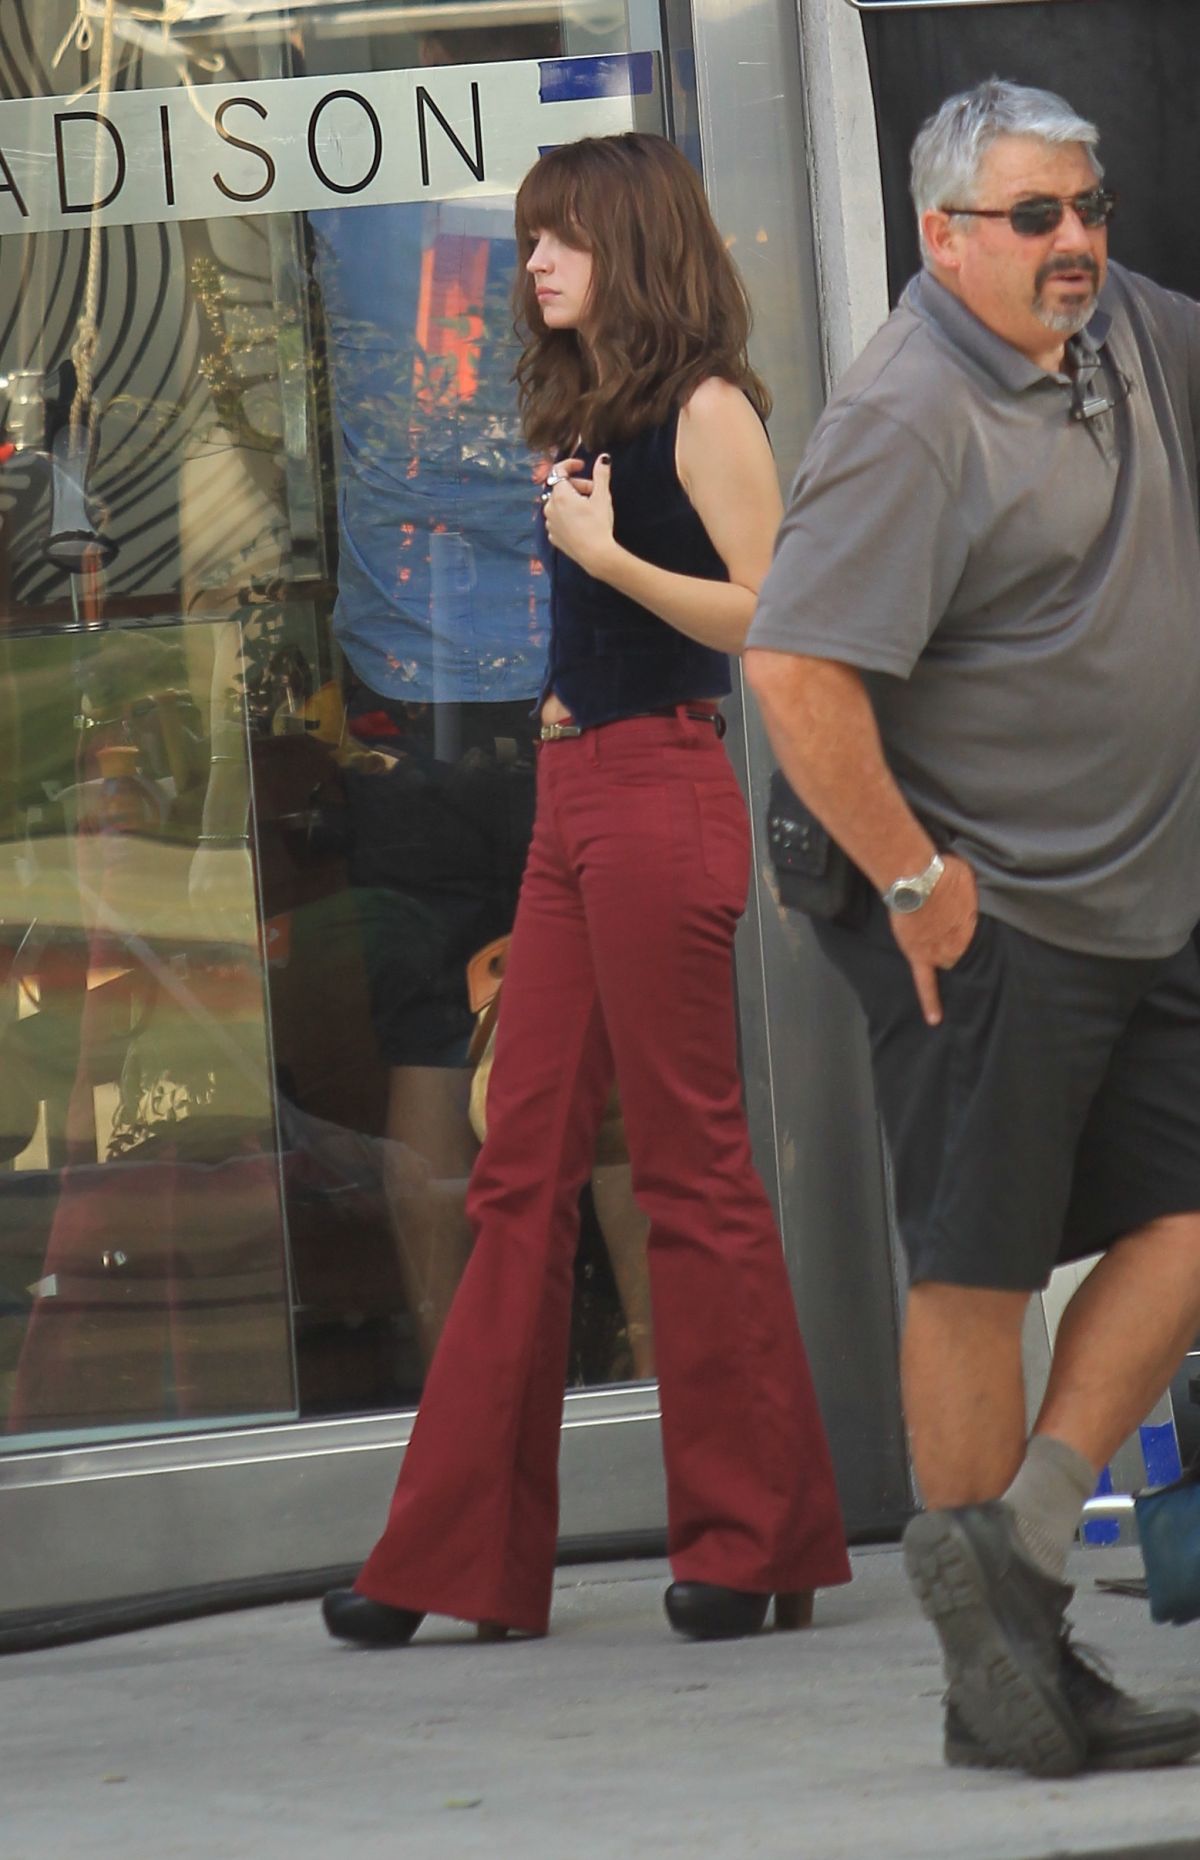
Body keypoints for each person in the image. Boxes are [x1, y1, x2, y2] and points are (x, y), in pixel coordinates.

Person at [322, 130, 850, 1648]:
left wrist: (611, 562)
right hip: (571, 800)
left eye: (562, 236)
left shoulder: (707, 409)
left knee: (688, 1166)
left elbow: (772, 615)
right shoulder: (591, 407)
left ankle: (757, 1541)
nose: (535, 260)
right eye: (532, 235)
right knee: (517, 1172)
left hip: (660, 787)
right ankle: (455, 1559)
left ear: (635, 244)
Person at [745, 77, 1200, 1776]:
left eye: (1088, 207)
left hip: (1144, 894)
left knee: (1186, 1217)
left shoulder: (1123, 329)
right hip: (976, 910)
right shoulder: (908, 410)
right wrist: (918, 885)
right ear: (943, 237)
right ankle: (997, 1679)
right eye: (1034, 216)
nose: (1076, 240)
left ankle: (1013, 1551)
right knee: (981, 1262)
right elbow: (796, 668)